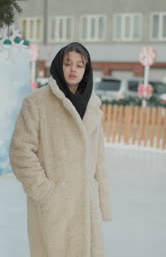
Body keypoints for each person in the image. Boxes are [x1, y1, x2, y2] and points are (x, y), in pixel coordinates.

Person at [9, 42, 112, 257]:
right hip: (55, 208)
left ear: (86, 70)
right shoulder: (36, 103)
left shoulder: (92, 106)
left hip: (86, 207)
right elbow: (20, 151)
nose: (73, 69)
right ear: (58, 66)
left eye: (79, 65)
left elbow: (99, 158)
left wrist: (101, 198)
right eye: (67, 63)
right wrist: (46, 192)